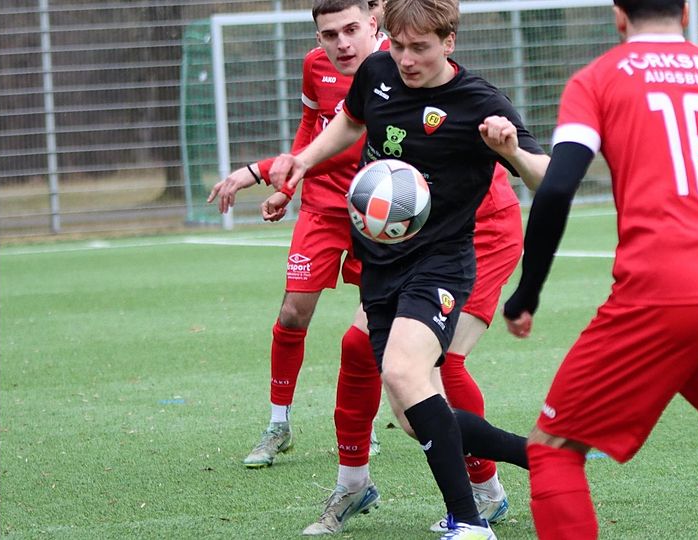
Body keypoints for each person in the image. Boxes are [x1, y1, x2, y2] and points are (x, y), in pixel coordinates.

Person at [210, 0, 525, 535]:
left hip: (473, 235)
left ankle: (478, 503)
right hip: (391, 244)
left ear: (377, 23)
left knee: (428, 369)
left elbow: (538, 173)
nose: (342, 44)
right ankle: (531, 458)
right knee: (399, 395)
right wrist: (295, 166)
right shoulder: (368, 74)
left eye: (352, 29)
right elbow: (342, 127)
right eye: (329, 34)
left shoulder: (460, 93)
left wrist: (514, 150)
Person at [486, 1, 698, 538]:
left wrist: (526, 293)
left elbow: (556, 186)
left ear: (618, 14)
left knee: (552, 449)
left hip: (662, 293)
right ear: (688, 12)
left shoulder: (599, 78)